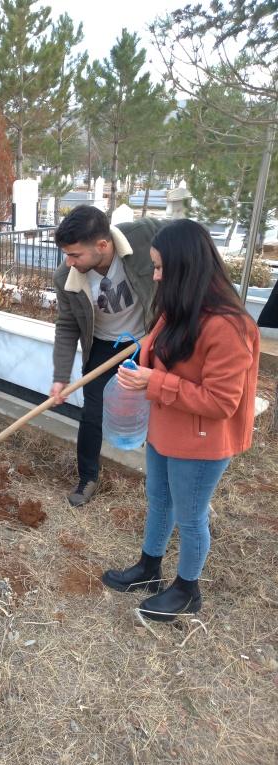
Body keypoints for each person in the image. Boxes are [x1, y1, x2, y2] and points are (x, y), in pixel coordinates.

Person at [102, 219, 260, 622]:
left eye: (160, 267)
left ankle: (188, 590)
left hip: (202, 441)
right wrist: (141, 367)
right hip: (166, 428)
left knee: (190, 516)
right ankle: (149, 567)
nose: (155, 276)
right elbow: (157, 354)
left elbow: (222, 401)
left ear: (186, 267)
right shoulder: (178, 310)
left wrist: (154, 381)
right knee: (159, 499)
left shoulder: (228, 326)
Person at [50, 205, 160, 506]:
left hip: (149, 341)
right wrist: (60, 377)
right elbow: (67, 325)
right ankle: (87, 477)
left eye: (75, 255)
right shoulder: (66, 277)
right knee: (92, 413)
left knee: (159, 408)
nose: (69, 262)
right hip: (103, 346)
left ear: (102, 245)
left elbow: (187, 244)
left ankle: (161, 481)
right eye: (66, 254)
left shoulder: (145, 237)